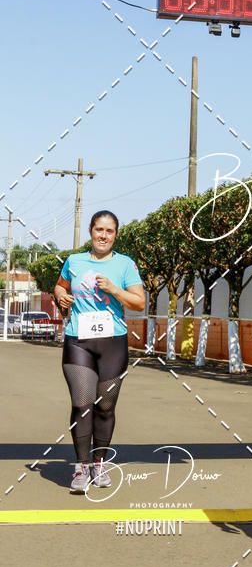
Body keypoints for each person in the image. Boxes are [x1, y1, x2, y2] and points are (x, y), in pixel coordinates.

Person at [54, 210, 145, 493]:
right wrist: (60, 295)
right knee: (83, 405)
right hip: (78, 341)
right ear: (91, 231)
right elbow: (59, 286)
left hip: (113, 343)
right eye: (99, 229)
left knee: (105, 406)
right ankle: (80, 468)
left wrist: (114, 289)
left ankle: (99, 463)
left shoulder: (125, 264)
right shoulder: (74, 261)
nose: (103, 235)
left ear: (115, 235)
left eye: (110, 231)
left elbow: (139, 303)